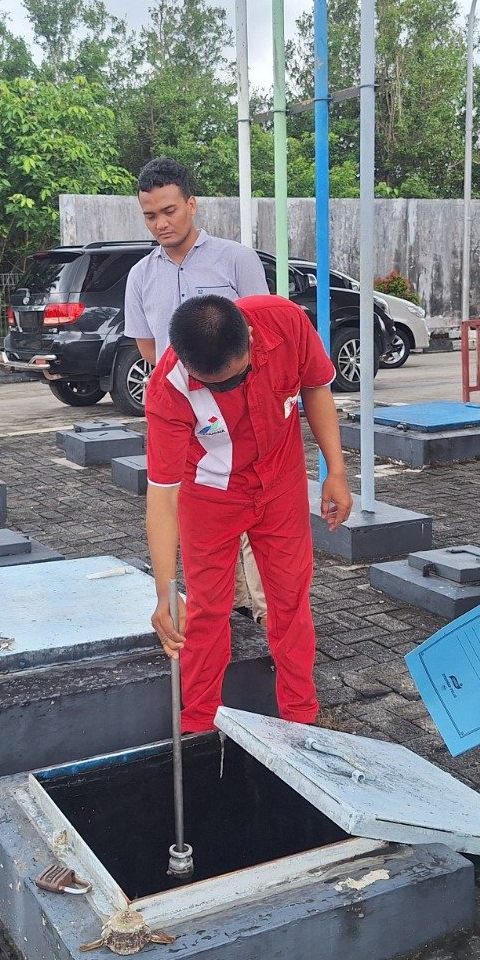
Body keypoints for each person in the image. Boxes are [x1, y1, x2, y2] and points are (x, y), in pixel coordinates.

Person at [143, 293, 352, 732]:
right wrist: (164, 592)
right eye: (214, 386)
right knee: (205, 609)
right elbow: (162, 497)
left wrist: (335, 470)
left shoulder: (285, 322)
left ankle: (300, 717)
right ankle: (200, 722)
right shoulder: (168, 390)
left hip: (280, 482)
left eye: (234, 379)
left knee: (290, 600)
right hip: (211, 495)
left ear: (252, 338)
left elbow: (316, 386)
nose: (226, 391)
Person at [124, 156, 273, 625]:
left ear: (192, 204)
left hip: (242, 406)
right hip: (181, 412)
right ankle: (223, 603)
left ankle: (270, 614)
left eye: (169, 211)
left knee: (252, 503)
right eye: (150, 216)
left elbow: (263, 329)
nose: (161, 223)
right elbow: (148, 347)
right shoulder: (140, 275)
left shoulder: (235, 259)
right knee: (194, 506)